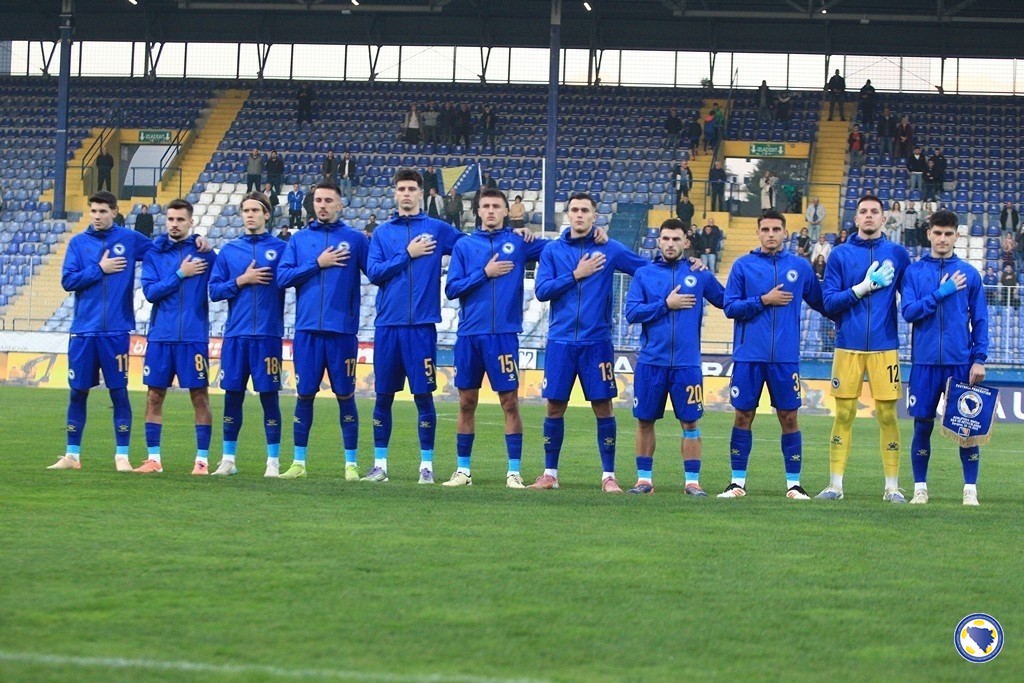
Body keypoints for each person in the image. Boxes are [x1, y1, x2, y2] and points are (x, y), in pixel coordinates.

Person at [528, 193, 650, 493]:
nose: (579, 215)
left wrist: (688, 266)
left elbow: (646, 269)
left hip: (597, 342)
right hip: (560, 341)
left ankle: (608, 476)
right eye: (574, 210)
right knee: (554, 407)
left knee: (603, 407)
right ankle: (549, 474)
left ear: (595, 216)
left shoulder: (610, 248)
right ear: (567, 215)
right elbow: (542, 291)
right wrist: (575, 274)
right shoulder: (553, 251)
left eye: (585, 210)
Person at [364, 169, 466, 484]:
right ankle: (380, 465)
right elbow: (374, 272)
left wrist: (514, 239)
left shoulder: (437, 229)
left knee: (423, 397)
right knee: (383, 397)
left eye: (412, 188)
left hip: (421, 327)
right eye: (401, 189)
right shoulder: (382, 233)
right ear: (395, 194)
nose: (406, 193)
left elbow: (469, 248)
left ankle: (427, 467)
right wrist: (406, 255)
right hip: (387, 326)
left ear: (421, 193)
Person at [441, 188, 547, 488]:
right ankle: (463, 470)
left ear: (506, 212)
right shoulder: (464, 246)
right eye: (485, 206)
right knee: (466, 402)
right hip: (469, 336)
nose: (490, 211)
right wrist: (485, 273)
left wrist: (596, 236)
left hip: (503, 336)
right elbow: (452, 289)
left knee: (510, 402)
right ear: (478, 211)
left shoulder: (518, 242)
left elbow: (560, 249)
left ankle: (513, 471)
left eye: (496, 206)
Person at [719, 209, 826, 499]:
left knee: (789, 417)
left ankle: (794, 484)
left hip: (785, 358)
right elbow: (730, 308)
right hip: (748, 356)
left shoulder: (800, 267)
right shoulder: (742, 266)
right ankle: (737, 482)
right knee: (743, 415)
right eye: (765, 229)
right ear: (758, 232)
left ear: (785, 233)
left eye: (776, 229)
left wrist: (859, 295)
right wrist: (763, 300)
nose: (770, 235)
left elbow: (821, 302)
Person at [49, 191, 154, 472]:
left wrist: (197, 243)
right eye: (93, 211)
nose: (97, 216)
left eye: (102, 211)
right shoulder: (78, 243)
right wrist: (100, 268)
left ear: (115, 212)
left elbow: (161, 249)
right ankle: (72, 455)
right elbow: (68, 281)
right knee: (78, 392)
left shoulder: (130, 240)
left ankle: (122, 456)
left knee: (119, 392)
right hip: (83, 331)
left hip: (116, 331)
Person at [818, 194, 912, 503]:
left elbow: (910, 300)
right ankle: (834, 486)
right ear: (855, 219)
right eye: (863, 212)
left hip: (885, 347)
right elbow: (829, 302)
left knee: (887, 415)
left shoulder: (898, 254)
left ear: (884, 219)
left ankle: (893, 488)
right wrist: (862, 287)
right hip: (848, 346)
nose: (869, 216)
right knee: (843, 414)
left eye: (875, 212)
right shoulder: (840, 255)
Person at [623, 219, 724, 495]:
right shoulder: (644, 274)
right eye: (665, 238)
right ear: (658, 241)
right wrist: (665, 305)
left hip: (687, 364)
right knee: (644, 420)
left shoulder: (698, 273)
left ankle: (692, 482)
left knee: (690, 422)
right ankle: (644, 480)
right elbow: (631, 313)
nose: (670, 244)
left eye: (675, 239)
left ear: (685, 242)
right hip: (651, 362)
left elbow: (727, 301)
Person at [275, 182, 368, 480]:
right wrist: (317, 263)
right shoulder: (300, 240)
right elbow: (283, 277)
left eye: (329, 200)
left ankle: (351, 464)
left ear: (340, 205)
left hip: (342, 332)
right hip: (307, 332)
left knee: (345, 396)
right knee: (304, 396)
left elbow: (376, 272)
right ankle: (299, 463)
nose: (323, 205)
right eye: (318, 200)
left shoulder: (354, 239)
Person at [900, 209, 988, 506]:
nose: (942, 239)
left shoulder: (970, 274)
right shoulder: (913, 272)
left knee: (967, 430)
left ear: (956, 236)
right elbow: (909, 312)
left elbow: (981, 320)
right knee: (922, 425)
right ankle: (920, 488)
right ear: (928, 234)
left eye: (948, 234)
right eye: (937, 233)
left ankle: (970, 490)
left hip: (959, 362)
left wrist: (980, 358)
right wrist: (942, 292)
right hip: (924, 363)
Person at [208, 192, 288, 477]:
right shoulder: (229, 250)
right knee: (232, 396)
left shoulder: (281, 249)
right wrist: (241, 280)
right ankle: (228, 459)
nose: (250, 214)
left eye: (255, 210)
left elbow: (293, 278)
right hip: (236, 336)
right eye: (245, 210)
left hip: (267, 335)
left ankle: (273, 462)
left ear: (267, 214)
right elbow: (214, 291)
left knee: (269, 398)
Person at [136, 199, 217, 475]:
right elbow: (151, 293)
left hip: (194, 336)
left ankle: (202, 461)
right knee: (154, 397)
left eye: (180, 219)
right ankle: (153, 460)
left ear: (191, 222)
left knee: (200, 397)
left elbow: (218, 286)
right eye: (170, 219)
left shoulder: (205, 254)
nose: (174, 224)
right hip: (160, 336)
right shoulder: (154, 254)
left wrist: (205, 244)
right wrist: (181, 273)